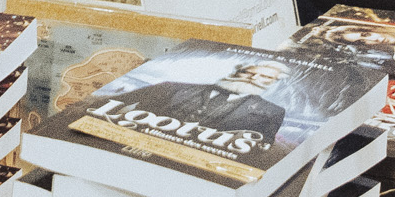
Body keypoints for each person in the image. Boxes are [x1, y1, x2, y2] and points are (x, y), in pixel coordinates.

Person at [101, 55, 296, 143]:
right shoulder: (171, 87)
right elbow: (109, 105)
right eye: (248, 72)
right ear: (237, 71)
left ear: (273, 83)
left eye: (265, 77)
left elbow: (255, 154)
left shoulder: (272, 113)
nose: (253, 78)